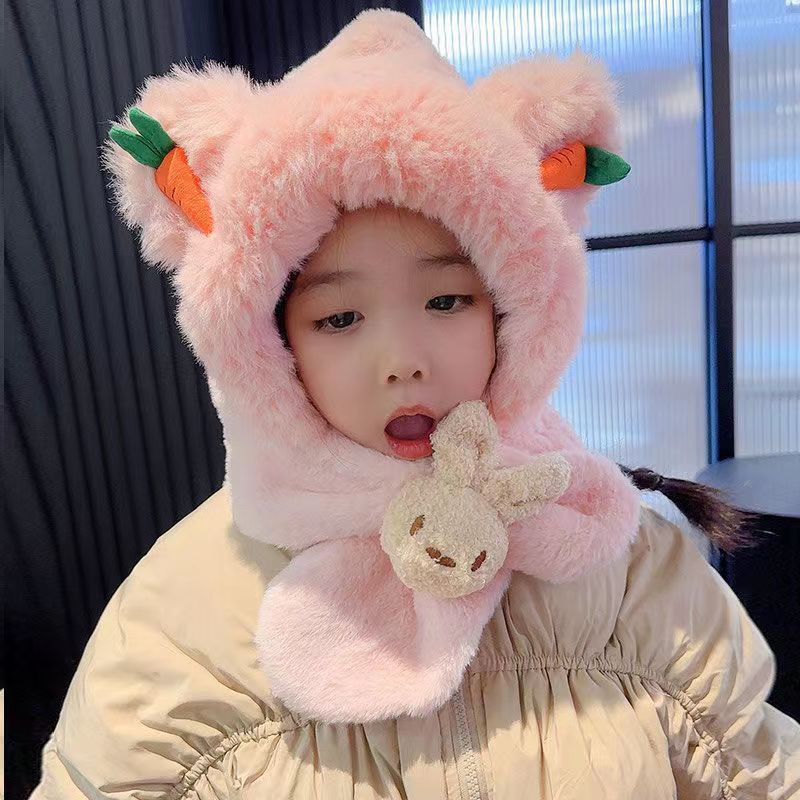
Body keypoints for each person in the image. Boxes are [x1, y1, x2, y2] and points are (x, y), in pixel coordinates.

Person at [31, 9, 799, 798]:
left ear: (512, 311)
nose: (402, 362)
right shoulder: (180, 614)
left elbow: (757, 765)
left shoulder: (624, 562)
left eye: (446, 301)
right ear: (267, 343)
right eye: (339, 318)